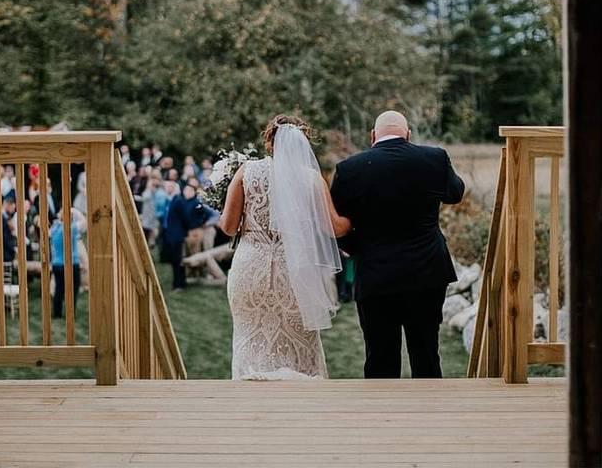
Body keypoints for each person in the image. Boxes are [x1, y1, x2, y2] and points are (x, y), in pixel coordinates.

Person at [330, 110, 465, 379]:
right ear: (408, 135)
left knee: (380, 359)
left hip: (375, 275)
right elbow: (455, 193)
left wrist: (359, 248)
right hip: (427, 273)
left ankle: (382, 419)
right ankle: (429, 418)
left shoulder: (349, 169)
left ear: (372, 136)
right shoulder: (434, 158)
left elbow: (336, 223)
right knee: (426, 355)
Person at [218, 114, 351, 379]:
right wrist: (356, 216)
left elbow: (228, 227)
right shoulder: (311, 179)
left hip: (250, 269)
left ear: (269, 142)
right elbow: (334, 228)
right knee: (297, 344)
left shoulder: (247, 171)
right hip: (294, 273)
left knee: (250, 337)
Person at [162, 182, 207, 291]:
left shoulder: (179, 201)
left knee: (179, 260)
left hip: (180, 234)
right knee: (176, 260)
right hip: (174, 234)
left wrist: (191, 227)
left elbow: (187, 218)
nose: (167, 188)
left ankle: (180, 284)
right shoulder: (175, 201)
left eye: (169, 187)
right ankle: (178, 282)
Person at [49, 216, 81, 319]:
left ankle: (57, 313)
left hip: (57, 263)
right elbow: (84, 221)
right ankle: (70, 313)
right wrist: (76, 212)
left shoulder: (54, 228)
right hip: (71, 263)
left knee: (59, 289)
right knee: (73, 290)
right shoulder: (71, 228)